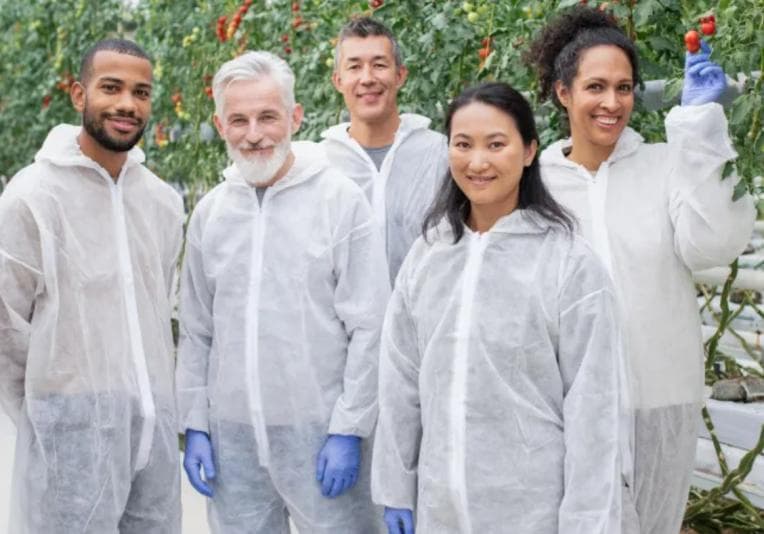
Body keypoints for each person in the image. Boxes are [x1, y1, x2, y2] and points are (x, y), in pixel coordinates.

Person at [525, 7, 757, 534]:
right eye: (596, 87)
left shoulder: (665, 164)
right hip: (561, 409)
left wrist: (701, 132)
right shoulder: (534, 183)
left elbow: (715, 244)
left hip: (659, 401)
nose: (612, 103)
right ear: (563, 93)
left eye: (625, 87)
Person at [371, 82, 626, 534]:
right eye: (463, 144)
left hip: (533, 512)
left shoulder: (568, 263)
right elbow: (400, 382)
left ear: (529, 151)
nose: (477, 162)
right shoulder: (428, 256)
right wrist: (395, 486)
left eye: (496, 144)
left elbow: (596, 410)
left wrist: (587, 523)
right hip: (439, 507)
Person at [175, 51, 390, 533]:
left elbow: (371, 324)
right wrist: (196, 426)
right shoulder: (211, 214)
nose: (254, 134)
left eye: (268, 117)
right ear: (220, 124)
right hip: (235, 447)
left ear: (294, 117)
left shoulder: (337, 201)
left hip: (321, 438)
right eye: (239, 120)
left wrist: (348, 428)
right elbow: (196, 331)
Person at [0, 39, 184, 533]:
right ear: (79, 95)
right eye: (111, 88)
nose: (127, 104)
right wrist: (55, 417)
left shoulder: (161, 203)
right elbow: (6, 328)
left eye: (141, 92)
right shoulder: (33, 197)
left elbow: (153, 313)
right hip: (69, 439)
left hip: (154, 434)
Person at [322, 16, 448, 284]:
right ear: (338, 80)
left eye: (379, 65)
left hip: (424, 322)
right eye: (354, 67)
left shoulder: (440, 154)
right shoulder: (321, 165)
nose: (367, 79)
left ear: (400, 75)